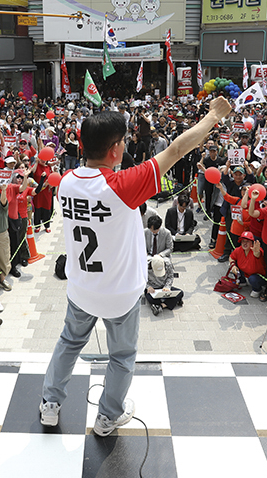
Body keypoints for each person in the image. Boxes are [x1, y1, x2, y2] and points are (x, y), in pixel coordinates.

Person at [40, 96, 232, 437]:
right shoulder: (122, 186)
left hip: (81, 288)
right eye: (124, 141)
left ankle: (50, 405)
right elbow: (175, 150)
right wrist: (212, 116)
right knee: (121, 356)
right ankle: (106, 418)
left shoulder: (67, 182)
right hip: (119, 294)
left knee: (68, 343)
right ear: (115, 149)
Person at [143, 216, 180, 315]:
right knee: (148, 296)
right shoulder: (145, 232)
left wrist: (160, 255)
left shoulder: (166, 233)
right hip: (149, 258)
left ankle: (160, 305)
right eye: (151, 230)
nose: (153, 232)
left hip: (162, 257)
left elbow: (170, 248)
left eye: (155, 230)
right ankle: (171, 302)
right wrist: (148, 287)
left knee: (180, 293)